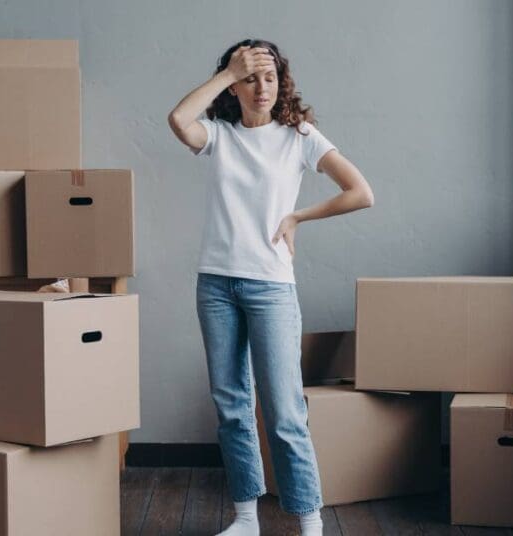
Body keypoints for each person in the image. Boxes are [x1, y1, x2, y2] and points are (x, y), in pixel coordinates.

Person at [167, 38, 374, 536]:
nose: (262, 87)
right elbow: (178, 120)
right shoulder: (217, 135)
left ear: (281, 83)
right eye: (250, 77)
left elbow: (361, 192)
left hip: (270, 288)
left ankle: (309, 524)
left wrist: (299, 215)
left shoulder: (300, 136)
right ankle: (245, 520)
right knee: (232, 405)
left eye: (270, 76)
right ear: (234, 84)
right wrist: (226, 72)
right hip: (215, 284)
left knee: (284, 411)